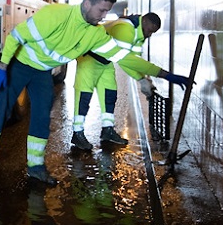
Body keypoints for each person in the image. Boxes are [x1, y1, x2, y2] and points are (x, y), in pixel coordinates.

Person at [0, 0, 184, 186]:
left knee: (42, 117)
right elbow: (15, 37)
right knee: (2, 109)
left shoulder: (96, 34)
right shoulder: (55, 15)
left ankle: (35, 167)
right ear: (87, 4)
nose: (103, 17)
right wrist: (2, 67)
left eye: (106, 12)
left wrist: (164, 74)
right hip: (20, 64)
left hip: (42, 72)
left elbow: (125, 58)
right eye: (101, 11)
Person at [71, 12, 185, 150]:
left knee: (109, 95)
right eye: (150, 31)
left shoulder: (139, 33)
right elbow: (125, 61)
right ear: (144, 22)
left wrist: (145, 79)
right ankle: (77, 133)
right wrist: (160, 75)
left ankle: (107, 130)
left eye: (152, 33)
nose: (149, 35)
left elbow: (135, 59)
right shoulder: (126, 30)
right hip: (89, 59)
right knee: (84, 97)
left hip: (106, 61)